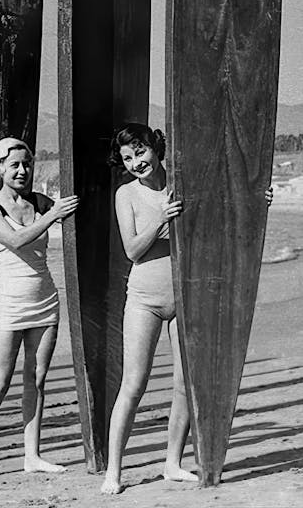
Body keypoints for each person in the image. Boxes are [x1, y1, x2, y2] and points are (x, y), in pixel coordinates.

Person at [100, 123, 273, 495]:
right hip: (145, 298)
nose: (136, 163)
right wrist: (163, 220)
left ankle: (172, 463)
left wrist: (260, 199)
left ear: (156, 148)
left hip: (187, 296)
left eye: (141, 152)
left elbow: (226, 208)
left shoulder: (183, 184)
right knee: (133, 383)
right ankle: (113, 470)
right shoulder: (125, 194)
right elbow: (131, 250)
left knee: (183, 385)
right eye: (128, 158)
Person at [0, 137, 78, 486]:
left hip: (45, 298)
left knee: (36, 379)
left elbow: (70, 211)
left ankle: (32, 455)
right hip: (8, 303)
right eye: (15, 165)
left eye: (27, 163)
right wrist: (53, 215)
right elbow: (14, 240)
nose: (23, 170)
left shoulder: (40, 201)